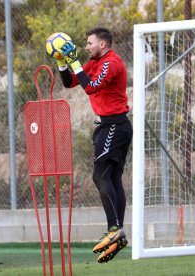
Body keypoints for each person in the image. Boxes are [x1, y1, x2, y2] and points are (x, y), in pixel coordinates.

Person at [52, 27, 132, 263]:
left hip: (115, 126)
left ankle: (114, 229)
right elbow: (70, 83)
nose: (86, 47)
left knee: (100, 175)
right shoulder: (94, 61)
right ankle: (118, 232)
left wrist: (75, 60)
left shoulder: (111, 63)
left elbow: (91, 87)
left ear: (103, 45)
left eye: (89, 43)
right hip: (106, 126)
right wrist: (63, 63)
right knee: (112, 178)